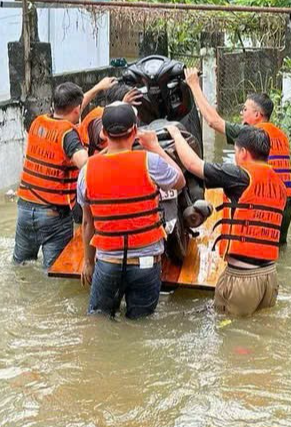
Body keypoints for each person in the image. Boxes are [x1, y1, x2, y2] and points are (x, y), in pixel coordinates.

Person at [77, 102, 185, 319]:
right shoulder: (150, 162)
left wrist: (88, 262)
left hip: (108, 264)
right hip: (146, 265)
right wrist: (155, 147)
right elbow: (180, 181)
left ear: (104, 133)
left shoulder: (87, 170)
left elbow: (87, 223)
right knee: (141, 327)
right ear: (135, 131)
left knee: (99, 321)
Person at [166, 124, 285, 317]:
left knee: (232, 339)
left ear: (244, 152)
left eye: (236, 151)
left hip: (243, 279)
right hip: (269, 277)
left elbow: (193, 165)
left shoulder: (241, 176)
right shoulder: (277, 183)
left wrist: (175, 133)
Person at [184, 67, 291, 244]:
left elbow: (213, 121)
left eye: (245, 109)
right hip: (285, 206)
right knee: (274, 251)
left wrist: (193, 85)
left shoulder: (250, 134)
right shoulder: (280, 135)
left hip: (264, 206)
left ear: (257, 115)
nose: (241, 113)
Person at [14, 77, 115, 269]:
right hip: (53, 215)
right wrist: (111, 149)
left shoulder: (37, 123)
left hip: (25, 209)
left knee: (21, 266)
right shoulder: (68, 135)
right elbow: (85, 164)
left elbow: (71, 108)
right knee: (55, 272)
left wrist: (97, 88)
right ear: (77, 110)